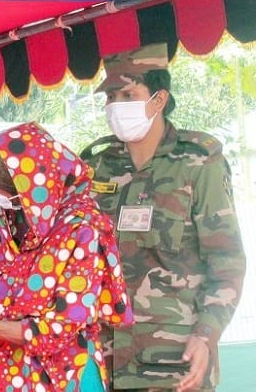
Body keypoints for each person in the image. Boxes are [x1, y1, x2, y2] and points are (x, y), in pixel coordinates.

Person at [80, 43, 246, 392]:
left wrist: (206, 334)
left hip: (174, 364)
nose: (116, 106)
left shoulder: (198, 163)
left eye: (128, 94)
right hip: (103, 361)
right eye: (111, 97)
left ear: (158, 100)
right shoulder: (96, 166)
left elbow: (226, 261)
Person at [0, 122, 133, 392]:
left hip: (63, 375)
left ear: (29, 193)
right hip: (7, 373)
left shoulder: (82, 229)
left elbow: (59, 329)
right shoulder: (7, 218)